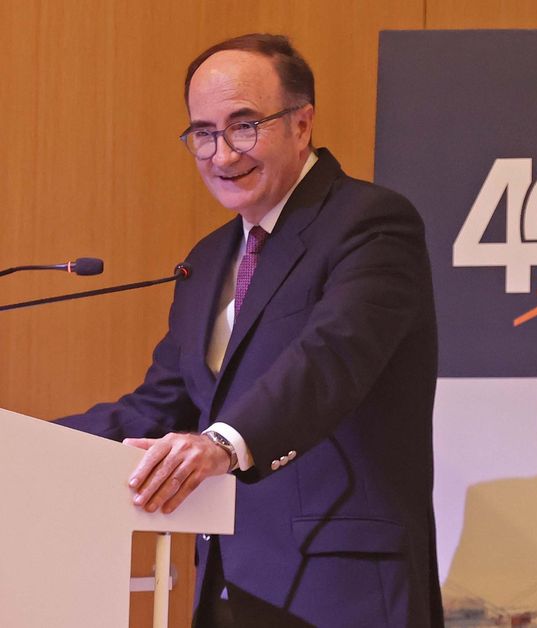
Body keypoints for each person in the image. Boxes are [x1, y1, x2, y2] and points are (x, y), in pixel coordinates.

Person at [56, 33, 441, 627]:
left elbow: (330, 359)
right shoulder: (209, 259)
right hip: (229, 588)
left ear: (301, 124)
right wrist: (24, 444)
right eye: (203, 133)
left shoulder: (370, 223)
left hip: (343, 586)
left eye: (244, 126)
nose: (222, 154)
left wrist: (221, 445)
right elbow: (160, 406)